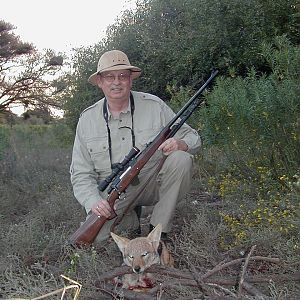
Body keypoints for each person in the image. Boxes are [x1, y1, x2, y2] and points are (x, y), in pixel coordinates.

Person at [70, 50, 201, 244]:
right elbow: (80, 174)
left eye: (123, 76)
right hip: (113, 193)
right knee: (97, 241)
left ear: (131, 79)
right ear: (100, 81)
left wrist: (181, 143)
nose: (117, 82)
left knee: (181, 159)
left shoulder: (154, 105)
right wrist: (94, 202)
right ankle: (130, 220)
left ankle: (159, 231)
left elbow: (193, 137)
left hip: (150, 183)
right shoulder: (87, 119)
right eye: (110, 77)